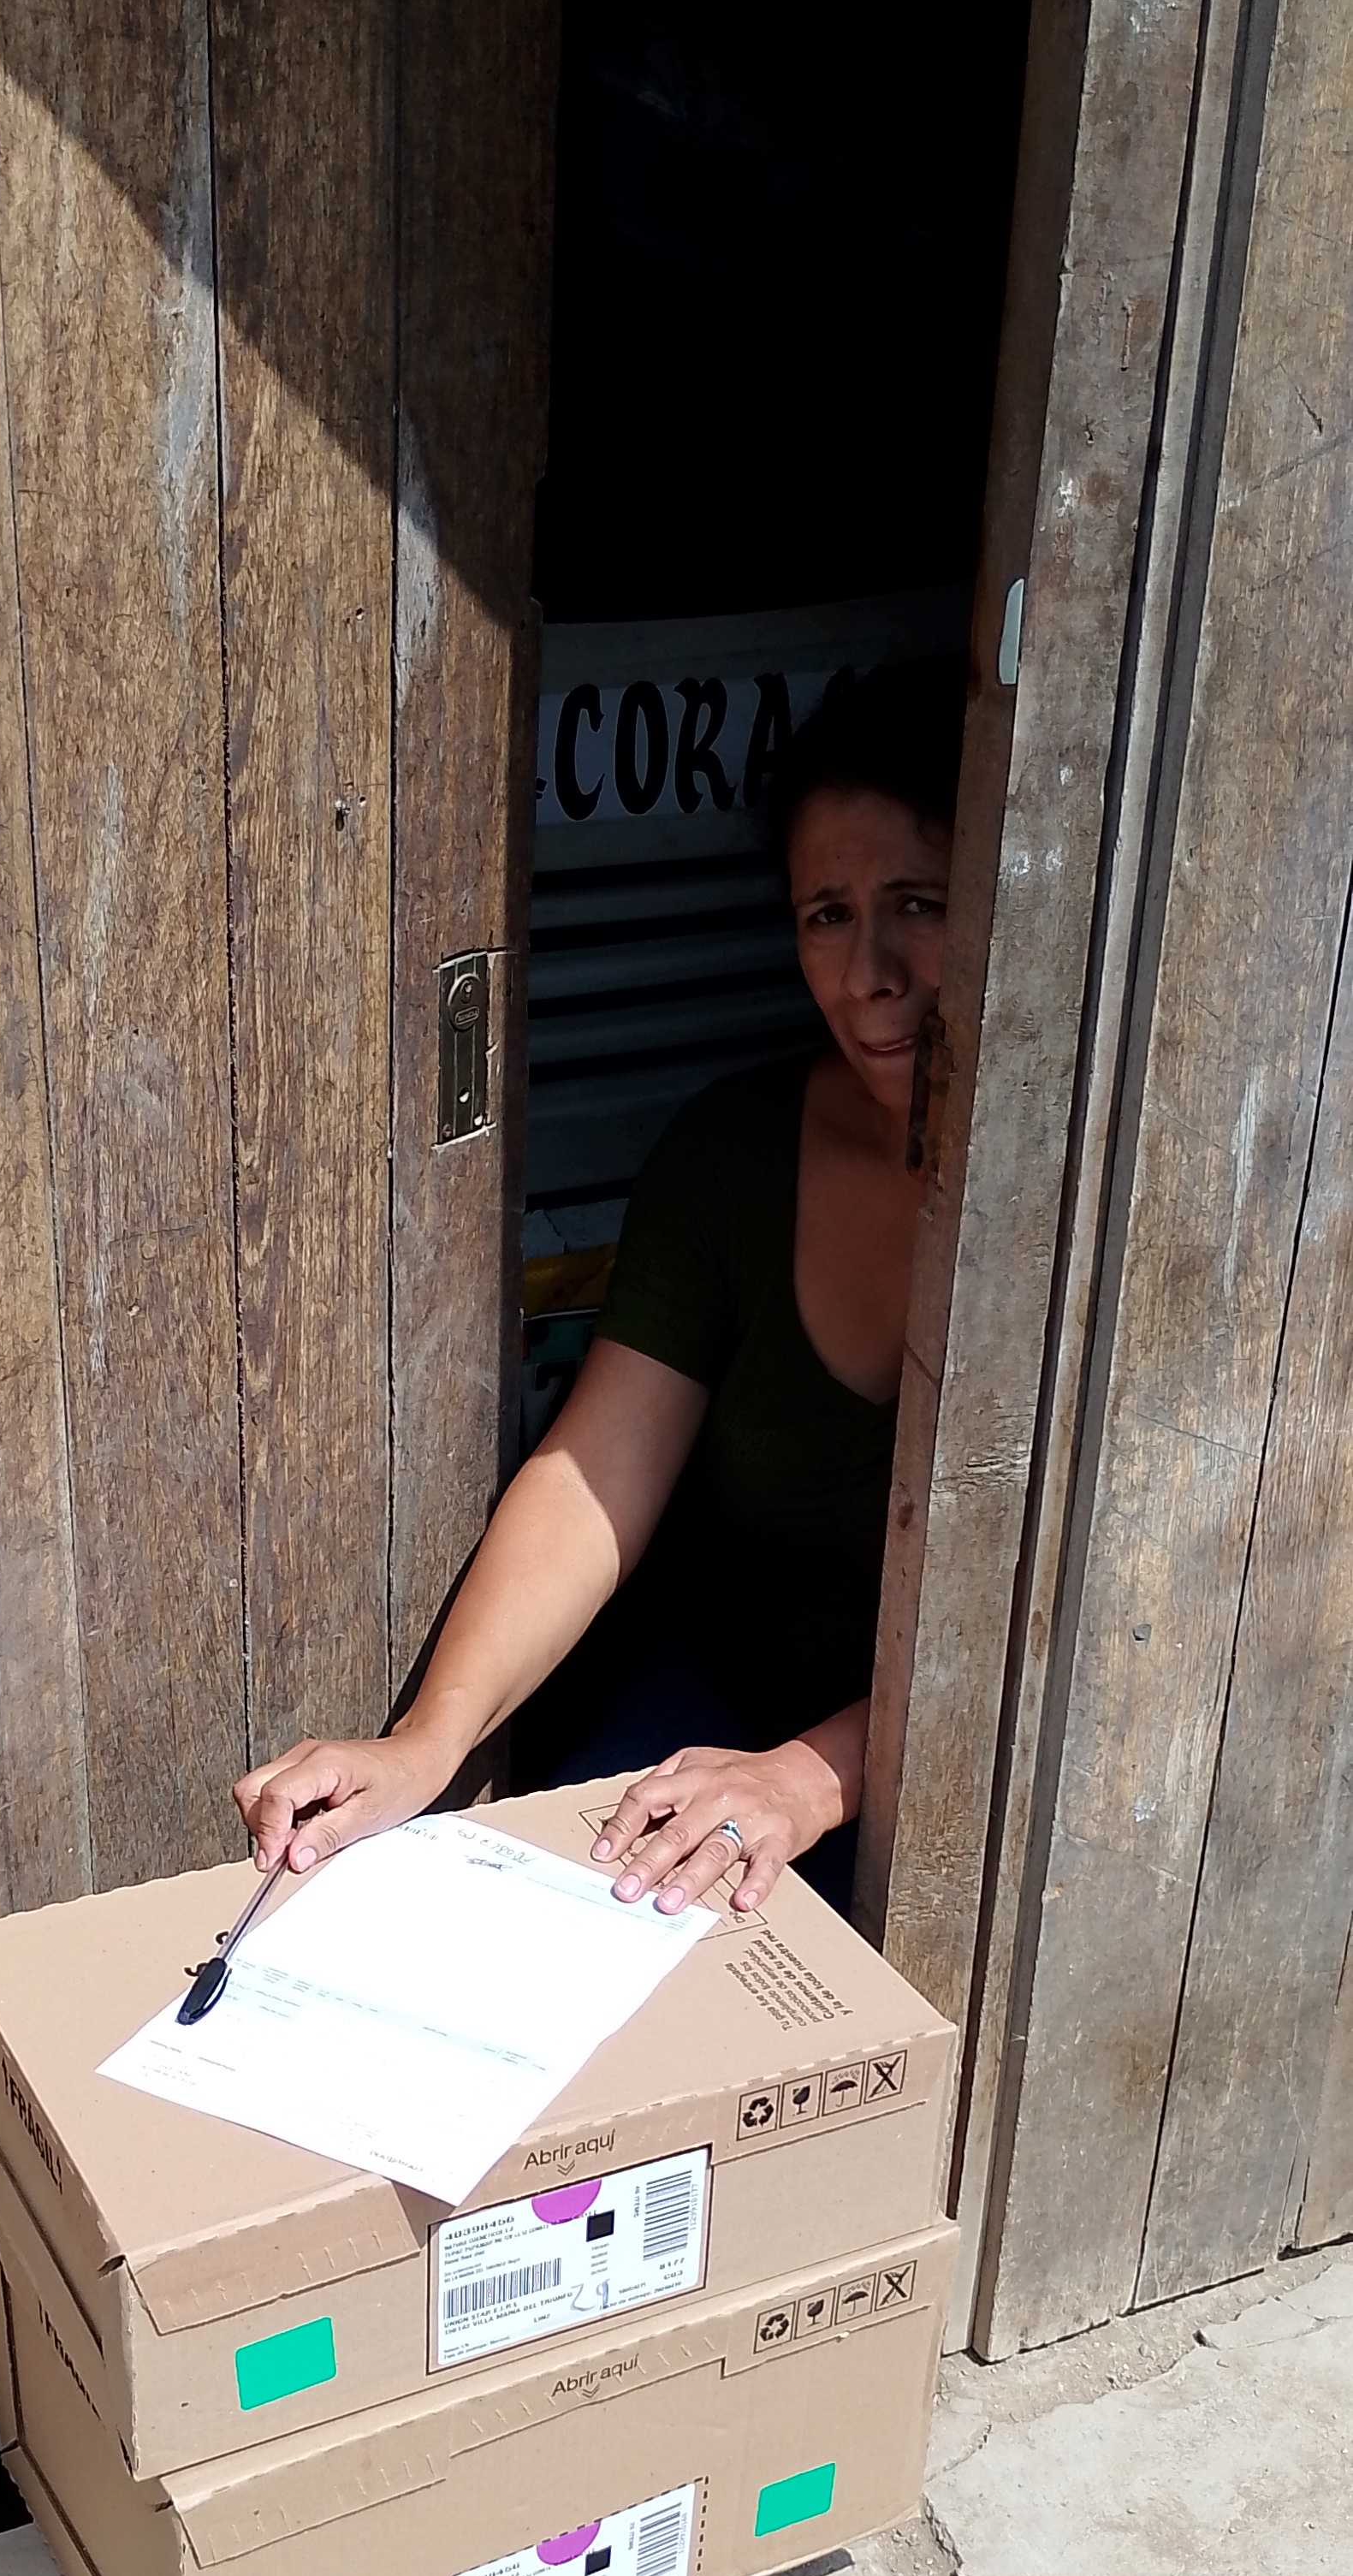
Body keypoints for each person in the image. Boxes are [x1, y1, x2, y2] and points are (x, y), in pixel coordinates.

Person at [236, 653, 964, 1921]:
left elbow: (1071, 1619)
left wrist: (812, 1777)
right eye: (827, 915)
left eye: (920, 903)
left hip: (951, 1752)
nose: (871, 973)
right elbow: (595, 1477)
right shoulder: (735, 1157)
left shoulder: (1089, 1209)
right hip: (717, 1697)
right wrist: (428, 1739)